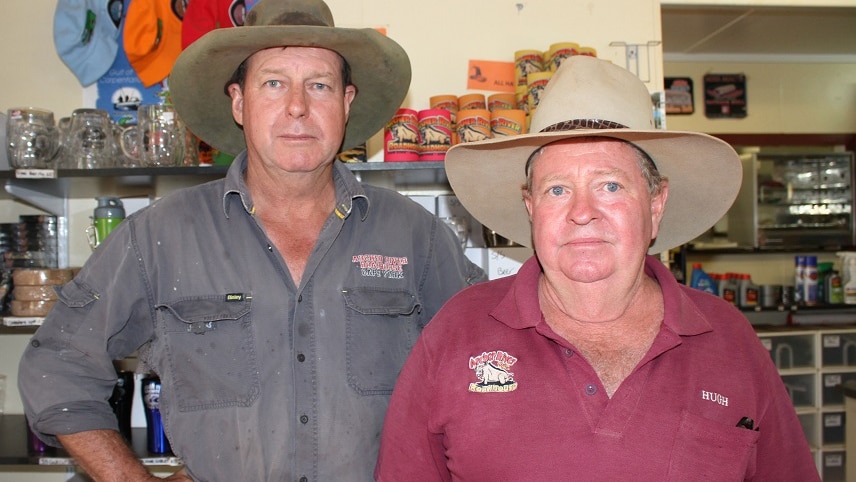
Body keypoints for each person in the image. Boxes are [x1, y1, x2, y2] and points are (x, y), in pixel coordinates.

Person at [18, 0, 485, 480]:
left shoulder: (418, 238)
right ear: (239, 102)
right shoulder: (160, 236)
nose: (298, 106)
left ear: (346, 103)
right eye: (274, 83)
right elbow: (57, 365)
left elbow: (488, 369)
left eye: (319, 85)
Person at [375, 55, 819, 481]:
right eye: (557, 190)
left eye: (610, 185)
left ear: (656, 204)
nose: (582, 212)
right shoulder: (456, 331)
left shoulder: (729, 340)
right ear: (530, 207)